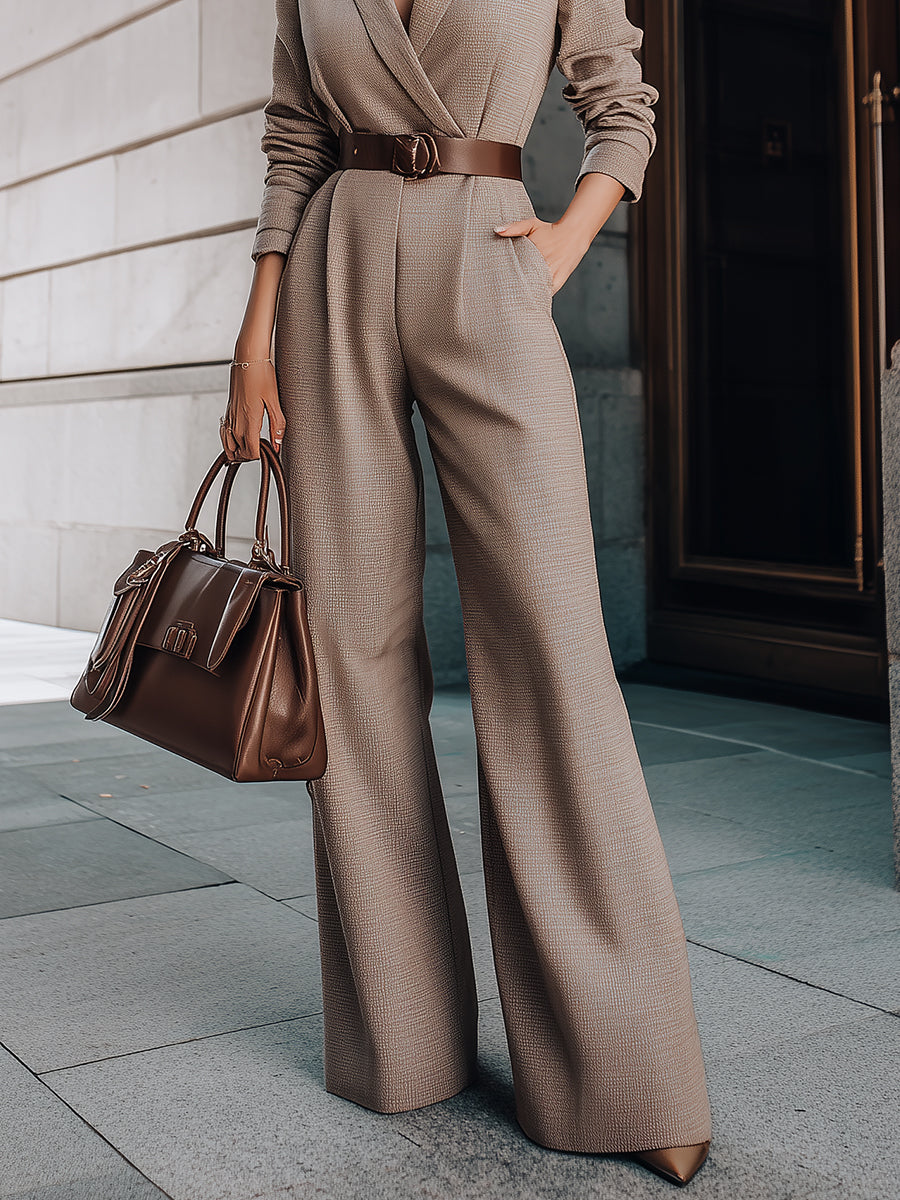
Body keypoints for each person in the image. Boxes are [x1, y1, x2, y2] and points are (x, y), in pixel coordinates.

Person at [220, 0, 713, 1187]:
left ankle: (623, 1068)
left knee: (553, 649)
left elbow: (621, 104)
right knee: (348, 653)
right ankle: (405, 1041)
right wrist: (253, 339)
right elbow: (296, 135)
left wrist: (564, 243)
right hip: (332, 275)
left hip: (490, 252)